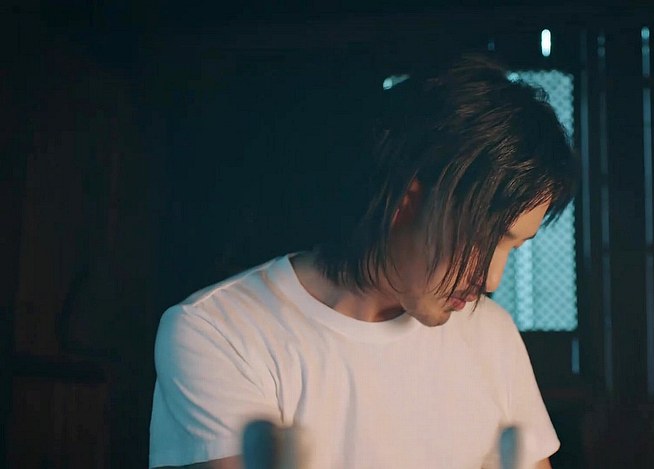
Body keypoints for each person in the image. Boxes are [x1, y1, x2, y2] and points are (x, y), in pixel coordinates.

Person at [149, 54, 576, 469]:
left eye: (514, 248)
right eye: (485, 241)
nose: (491, 280)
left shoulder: (490, 334)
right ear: (408, 200)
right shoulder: (218, 331)